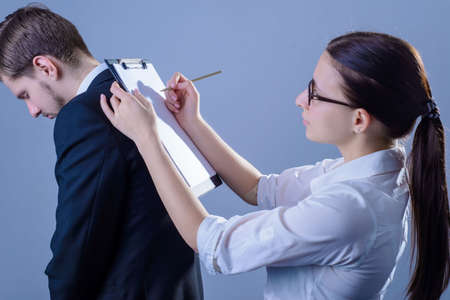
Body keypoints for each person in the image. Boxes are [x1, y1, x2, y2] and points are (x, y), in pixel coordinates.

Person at [101, 31, 449, 300]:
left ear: (359, 119)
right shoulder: (374, 173)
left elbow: (211, 243)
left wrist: (147, 137)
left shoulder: (351, 208)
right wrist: (192, 121)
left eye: (315, 93)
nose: (300, 100)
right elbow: (258, 189)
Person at [0, 5, 203, 300]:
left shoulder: (84, 115)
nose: (31, 110)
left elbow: (78, 244)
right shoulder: (135, 88)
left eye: (26, 95)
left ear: (45, 67)